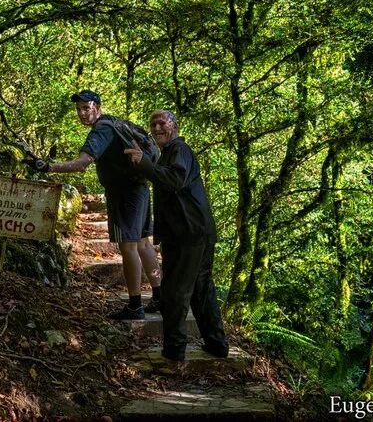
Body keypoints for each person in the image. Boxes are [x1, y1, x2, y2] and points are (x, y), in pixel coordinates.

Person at [26, 90, 162, 320]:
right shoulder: (114, 123)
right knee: (143, 244)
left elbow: (81, 164)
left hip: (123, 193)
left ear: (97, 108)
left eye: (86, 108)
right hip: (139, 187)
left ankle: (135, 305)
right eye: (78, 109)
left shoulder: (101, 130)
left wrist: (48, 167)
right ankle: (160, 298)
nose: (81, 113)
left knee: (128, 247)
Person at [124, 109, 229, 360]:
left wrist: (144, 163)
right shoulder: (167, 154)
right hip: (193, 232)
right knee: (202, 289)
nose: (156, 128)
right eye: (153, 124)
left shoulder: (180, 150)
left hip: (189, 235)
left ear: (174, 126)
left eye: (162, 123)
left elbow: (174, 180)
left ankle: (174, 350)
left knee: (175, 291)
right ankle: (217, 344)